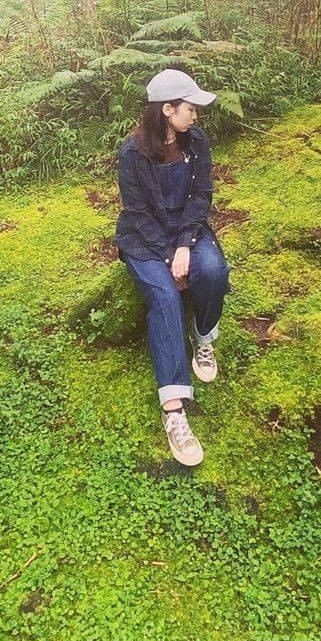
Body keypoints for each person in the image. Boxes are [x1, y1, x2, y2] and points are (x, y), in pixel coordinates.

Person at [113, 69, 230, 467]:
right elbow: (138, 213)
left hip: (188, 230)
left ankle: (203, 337)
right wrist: (167, 255)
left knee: (213, 271)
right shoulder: (131, 153)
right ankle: (174, 410)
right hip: (143, 239)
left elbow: (202, 195)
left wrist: (184, 246)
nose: (195, 115)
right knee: (164, 295)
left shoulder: (196, 141)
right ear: (167, 110)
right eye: (190, 107)